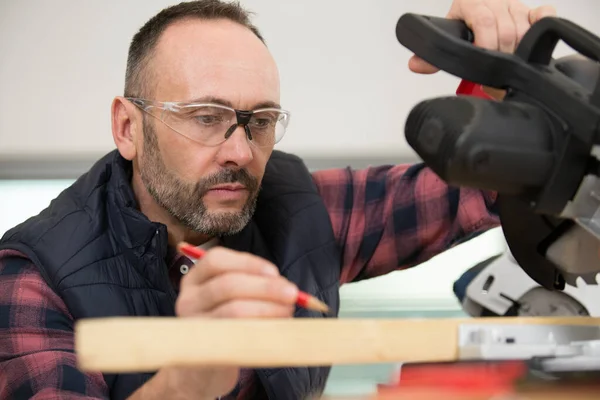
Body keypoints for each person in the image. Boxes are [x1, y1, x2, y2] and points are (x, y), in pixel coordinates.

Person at [0, 0, 556, 399]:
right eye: (206, 117)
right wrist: (190, 377)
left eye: (259, 121)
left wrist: (515, 89)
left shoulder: (295, 208)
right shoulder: (34, 276)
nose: (239, 151)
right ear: (128, 126)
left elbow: (464, 191)